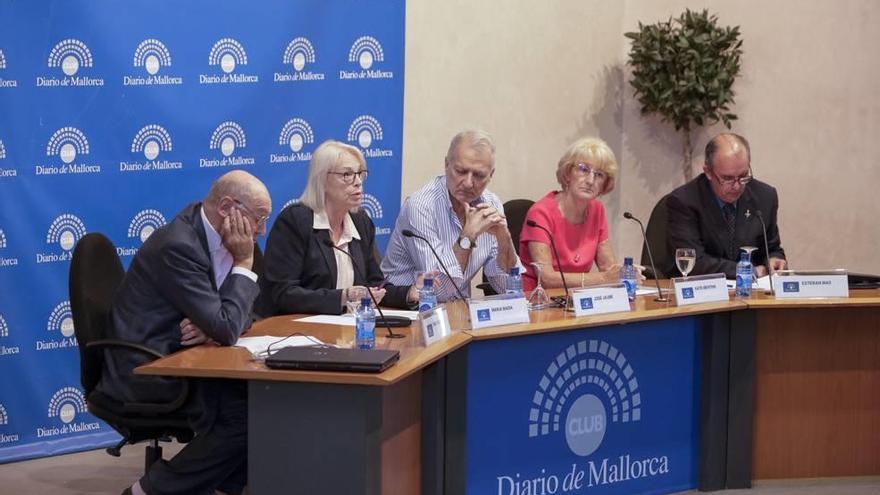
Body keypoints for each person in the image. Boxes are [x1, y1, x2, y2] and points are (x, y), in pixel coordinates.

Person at [99, 170, 272, 495]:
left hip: (193, 358)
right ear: (226, 207)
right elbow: (227, 323)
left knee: (263, 402)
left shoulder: (230, 239)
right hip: (150, 367)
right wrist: (223, 318)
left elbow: (245, 314)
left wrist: (217, 328)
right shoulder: (180, 245)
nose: (261, 230)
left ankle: (226, 486)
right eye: (258, 218)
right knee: (242, 418)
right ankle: (148, 491)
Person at [256, 140, 418, 316]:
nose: (358, 182)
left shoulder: (360, 222)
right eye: (347, 174)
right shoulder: (295, 222)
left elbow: (374, 285)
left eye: (360, 174)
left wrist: (409, 293)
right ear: (323, 180)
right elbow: (283, 294)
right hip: (301, 330)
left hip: (347, 328)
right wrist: (342, 297)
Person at [381, 129, 520, 301]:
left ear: (491, 175)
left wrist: (504, 238)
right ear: (446, 165)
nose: (469, 183)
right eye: (461, 171)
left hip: (456, 312)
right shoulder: (421, 206)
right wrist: (468, 236)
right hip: (404, 309)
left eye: (479, 175)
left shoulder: (492, 204)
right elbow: (437, 291)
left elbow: (506, 287)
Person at [666, 132, 786, 278]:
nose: (737, 186)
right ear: (708, 172)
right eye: (728, 179)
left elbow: (772, 248)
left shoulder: (765, 197)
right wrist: (748, 270)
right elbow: (694, 262)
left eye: (743, 176)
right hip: (704, 293)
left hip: (752, 295)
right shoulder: (684, 201)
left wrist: (774, 261)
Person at [519, 137, 623, 292]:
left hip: (576, 301)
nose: (590, 180)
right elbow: (546, 278)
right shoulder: (540, 213)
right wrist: (603, 279)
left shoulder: (597, 210)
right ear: (567, 173)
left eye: (599, 175)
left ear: (605, 185)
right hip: (538, 302)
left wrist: (625, 273)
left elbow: (609, 269)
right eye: (583, 169)